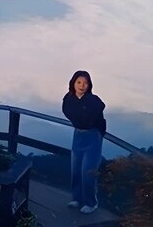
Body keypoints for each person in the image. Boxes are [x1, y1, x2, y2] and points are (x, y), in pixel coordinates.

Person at [62, 70, 106, 215]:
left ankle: (91, 202)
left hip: (93, 136)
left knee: (88, 171)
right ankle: (77, 198)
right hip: (78, 135)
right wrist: (81, 120)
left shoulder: (93, 100)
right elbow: (69, 112)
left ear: (89, 85)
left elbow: (98, 111)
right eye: (79, 82)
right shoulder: (69, 99)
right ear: (73, 83)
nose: (82, 86)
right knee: (75, 168)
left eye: (85, 83)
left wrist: (95, 130)